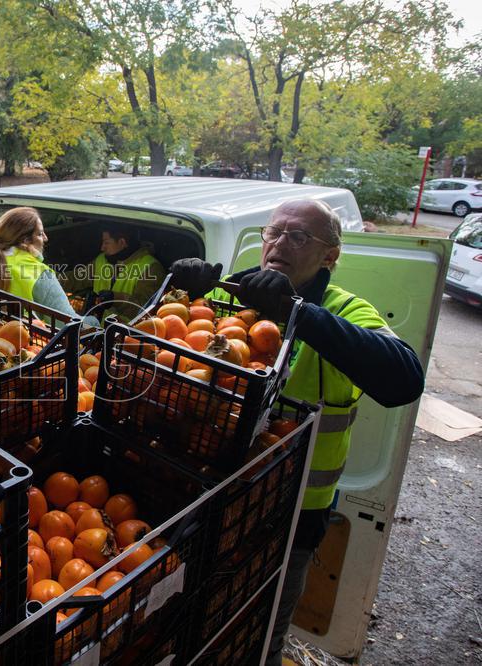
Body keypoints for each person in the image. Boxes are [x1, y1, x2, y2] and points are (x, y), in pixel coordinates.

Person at [168, 199, 424, 666]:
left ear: (330, 256)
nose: (280, 243)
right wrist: (182, 288)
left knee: (260, 627)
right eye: (274, 232)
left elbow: (404, 379)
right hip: (213, 490)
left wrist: (299, 312)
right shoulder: (237, 295)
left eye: (299, 237)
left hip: (290, 511)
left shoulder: (346, 310)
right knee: (193, 618)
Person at [0, 207, 89, 322]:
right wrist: (94, 322)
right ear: (25, 241)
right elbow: (68, 323)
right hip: (22, 344)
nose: (45, 238)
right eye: (40, 234)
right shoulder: (38, 273)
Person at [88, 225, 165, 321]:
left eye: (106, 242)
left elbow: (145, 310)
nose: (102, 248)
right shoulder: (102, 259)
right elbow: (77, 278)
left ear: (122, 242)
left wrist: (116, 299)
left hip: (125, 333)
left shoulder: (150, 267)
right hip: (96, 326)